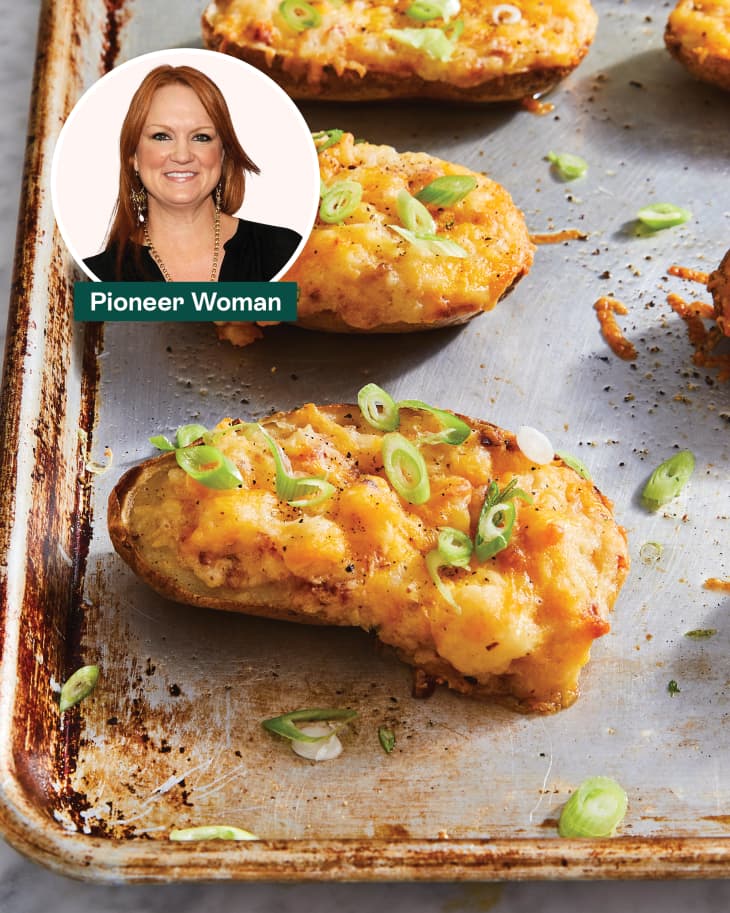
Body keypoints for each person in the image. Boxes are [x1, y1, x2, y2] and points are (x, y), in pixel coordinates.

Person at [84, 65, 302, 282]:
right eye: (161, 136)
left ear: (223, 153)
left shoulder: (287, 251)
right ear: (134, 156)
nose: (182, 155)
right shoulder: (93, 278)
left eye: (201, 137)